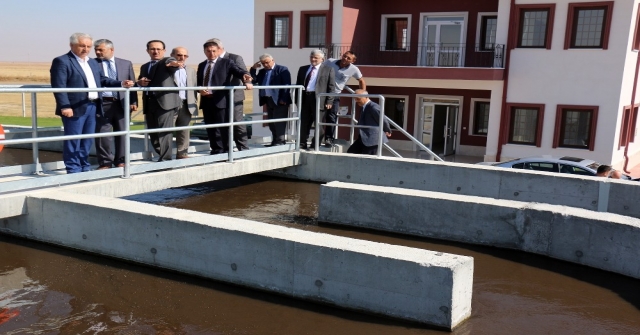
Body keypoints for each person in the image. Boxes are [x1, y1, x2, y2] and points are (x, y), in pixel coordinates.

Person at [50, 32, 134, 174]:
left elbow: (102, 80)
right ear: (72, 45)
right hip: (75, 107)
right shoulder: (62, 61)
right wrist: (65, 106)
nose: (86, 49)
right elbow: (59, 86)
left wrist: (120, 83)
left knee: (87, 139)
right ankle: (73, 169)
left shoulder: (92, 62)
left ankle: (84, 166)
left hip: (93, 106)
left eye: (88, 46)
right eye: (82, 46)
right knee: (73, 139)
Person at [196, 39, 253, 154]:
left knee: (223, 128)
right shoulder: (202, 65)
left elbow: (238, 71)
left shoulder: (227, 62)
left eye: (213, 51)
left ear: (218, 51)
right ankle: (216, 150)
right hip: (206, 100)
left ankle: (227, 151)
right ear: (204, 52)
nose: (211, 54)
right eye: (208, 51)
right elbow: (199, 82)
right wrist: (200, 89)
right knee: (211, 127)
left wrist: (245, 77)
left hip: (221, 100)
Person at [93, 39, 138, 169]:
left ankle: (121, 161)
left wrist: (133, 101)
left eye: (101, 49)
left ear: (111, 49)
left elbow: (132, 82)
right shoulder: (92, 63)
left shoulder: (125, 63)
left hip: (122, 103)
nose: (97, 52)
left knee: (123, 133)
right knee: (102, 134)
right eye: (96, 49)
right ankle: (105, 162)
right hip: (102, 103)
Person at [137, 40, 182, 162]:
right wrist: (139, 82)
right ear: (147, 51)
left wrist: (174, 64)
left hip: (165, 103)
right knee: (153, 133)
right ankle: (160, 155)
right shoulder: (144, 66)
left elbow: (171, 63)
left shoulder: (166, 61)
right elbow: (140, 82)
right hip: (149, 102)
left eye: (158, 49)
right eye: (152, 49)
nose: (155, 51)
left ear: (164, 51)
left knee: (164, 132)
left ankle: (166, 160)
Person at [321, 51, 366, 147]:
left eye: (348, 58)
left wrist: (362, 93)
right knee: (319, 116)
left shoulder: (354, 69)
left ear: (353, 61)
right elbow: (319, 69)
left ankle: (328, 139)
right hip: (322, 93)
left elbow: (361, 80)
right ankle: (317, 138)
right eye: (345, 56)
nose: (345, 59)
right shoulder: (330, 61)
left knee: (332, 117)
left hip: (335, 95)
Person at [213, 38, 250, 151]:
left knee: (237, 122)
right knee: (222, 124)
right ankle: (225, 149)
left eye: (214, 49)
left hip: (234, 96)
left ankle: (243, 149)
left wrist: (247, 82)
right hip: (219, 98)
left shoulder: (234, 57)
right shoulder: (213, 60)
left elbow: (244, 72)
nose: (211, 52)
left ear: (219, 48)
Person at [295, 50, 335, 150]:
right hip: (305, 98)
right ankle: (302, 143)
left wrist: (329, 101)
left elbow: (331, 87)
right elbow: (298, 85)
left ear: (322, 59)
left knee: (319, 122)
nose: (313, 59)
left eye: (316, 58)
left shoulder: (328, 69)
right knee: (303, 122)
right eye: (311, 57)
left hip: (319, 99)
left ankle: (315, 144)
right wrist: (297, 100)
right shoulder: (303, 69)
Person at [250, 53, 292, 146]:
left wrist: (283, 98)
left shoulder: (282, 69)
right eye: (263, 63)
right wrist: (253, 69)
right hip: (268, 100)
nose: (265, 65)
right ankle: (275, 140)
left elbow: (286, 84)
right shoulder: (262, 72)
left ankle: (280, 141)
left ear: (273, 60)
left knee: (279, 121)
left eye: (267, 62)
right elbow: (253, 80)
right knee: (272, 122)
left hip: (280, 100)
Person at [170, 47, 198, 159]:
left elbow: (194, 87)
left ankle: (182, 153)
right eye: (179, 55)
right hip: (170, 104)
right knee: (166, 130)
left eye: (185, 56)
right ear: (172, 55)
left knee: (184, 130)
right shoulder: (167, 69)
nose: (182, 58)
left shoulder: (191, 70)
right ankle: (165, 155)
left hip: (187, 104)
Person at [347, 89, 391, 155]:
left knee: (368, 158)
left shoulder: (373, 107)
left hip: (372, 138)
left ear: (366, 97)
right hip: (363, 137)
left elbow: (382, 119)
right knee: (351, 152)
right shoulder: (364, 106)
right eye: (355, 99)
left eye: (358, 99)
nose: (356, 101)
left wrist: (387, 130)